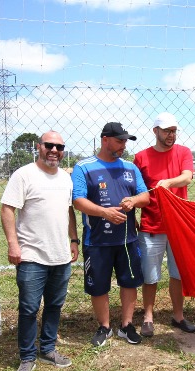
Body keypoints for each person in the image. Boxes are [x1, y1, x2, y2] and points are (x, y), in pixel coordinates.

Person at [1, 130, 79, 371]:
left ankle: (47, 349)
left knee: (55, 305)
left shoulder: (66, 180)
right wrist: (14, 244)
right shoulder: (24, 175)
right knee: (29, 308)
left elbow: (69, 212)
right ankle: (27, 357)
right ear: (39, 146)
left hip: (60, 255)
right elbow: (7, 209)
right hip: (32, 256)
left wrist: (74, 240)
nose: (54, 150)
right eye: (49, 145)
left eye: (59, 146)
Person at [72, 122, 150, 347]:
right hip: (97, 240)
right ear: (104, 140)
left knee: (129, 282)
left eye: (125, 141)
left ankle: (126, 326)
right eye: (119, 141)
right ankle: (104, 327)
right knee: (99, 285)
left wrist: (133, 200)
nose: (123, 145)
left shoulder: (130, 167)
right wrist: (104, 213)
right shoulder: (83, 167)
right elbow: (78, 200)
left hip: (127, 240)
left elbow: (145, 196)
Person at [133, 112, 195, 337]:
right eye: (167, 131)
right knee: (150, 275)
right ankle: (148, 316)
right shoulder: (141, 158)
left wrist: (168, 182)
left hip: (179, 225)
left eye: (174, 131)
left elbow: (187, 176)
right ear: (155, 131)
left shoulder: (183, 152)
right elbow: (136, 188)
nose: (171, 135)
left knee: (177, 273)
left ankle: (177, 315)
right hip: (152, 225)